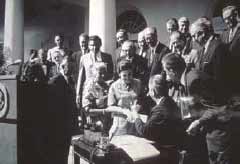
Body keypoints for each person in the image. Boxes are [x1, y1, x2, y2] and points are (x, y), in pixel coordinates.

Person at [186, 71, 240, 164]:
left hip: (221, 136)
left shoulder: (200, 84)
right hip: (216, 134)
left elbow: (219, 109)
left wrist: (199, 122)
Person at [131, 74, 183, 164]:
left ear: (153, 92)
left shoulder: (159, 110)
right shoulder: (170, 102)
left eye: (149, 90)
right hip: (174, 150)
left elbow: (145, 131)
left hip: (164, 154)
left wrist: (135, 115)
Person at [76, 35, 113, 127]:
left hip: (102, 91)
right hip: (88, 91)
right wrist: (78, 94)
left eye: (96, 45)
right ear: (88, 46)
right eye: (92, 45)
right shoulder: (84, 58)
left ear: (100, 44)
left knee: (102, 119)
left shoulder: (107, 57)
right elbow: (81, 77)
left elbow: (111, 75)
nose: (94, 47)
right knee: (88, 119)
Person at [47, 56, 77, 164]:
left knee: (65, 154)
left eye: (74, 67)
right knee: (58, 155)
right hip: (58, 126)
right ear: (63, 66)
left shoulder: (71, 80)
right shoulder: (55, 81)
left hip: (67, 125)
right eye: (71, 67)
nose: (74, 69)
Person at [190, 18, 228, 93]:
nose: (193, 40)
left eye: (194, 36)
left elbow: (220, 78)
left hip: (217, 96)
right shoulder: (202, 50)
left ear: (202, 33)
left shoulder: (218, 47)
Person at [107, 59, 142, 138]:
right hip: (120, 122)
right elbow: (110, 107)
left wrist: (139, 106)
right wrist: (124, 111)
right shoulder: (114, 86)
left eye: (130, 74)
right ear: (119, 74)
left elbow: (141, 99)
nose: (128, 78)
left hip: (135, 122)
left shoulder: (138, 83)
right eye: (124, 75)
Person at [81, 62, 111, 133]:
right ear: (94, 73)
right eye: (100, 73)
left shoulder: (106, 85)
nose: (103, 75)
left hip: (107, 121)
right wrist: (104, 111)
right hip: (95, 123)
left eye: (104, 73)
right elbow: (87, 110)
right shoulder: (90, 86)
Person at [161, 53, 191, 119]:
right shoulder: (182, 80)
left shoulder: (192, 81)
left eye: (166, 72)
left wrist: (198, 122)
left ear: (173, 72)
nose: (167, 78)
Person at [221, 5, 240, 95]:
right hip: (227, 75)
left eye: (228, 18)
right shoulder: (224, 34)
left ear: (236, 14)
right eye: (224, 19)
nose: (226, 21)